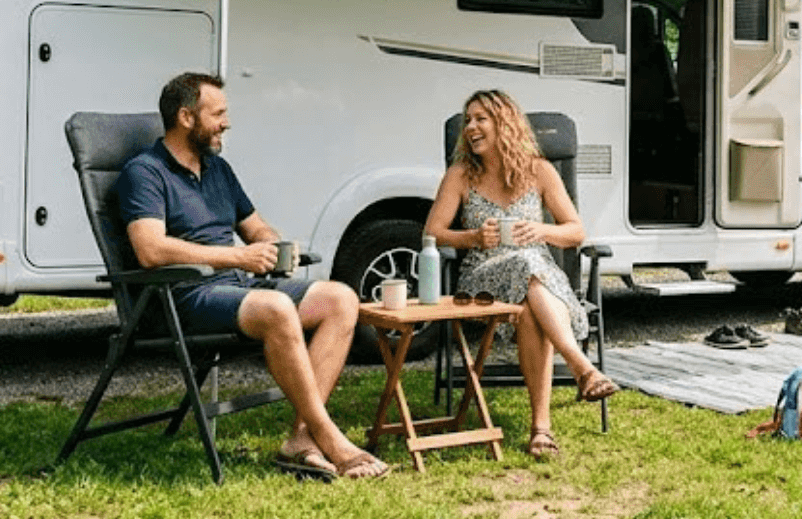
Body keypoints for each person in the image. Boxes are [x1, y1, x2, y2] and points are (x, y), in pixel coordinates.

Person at [115, 72, 388, 481]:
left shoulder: (218, 170)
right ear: (187, 117)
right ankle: (329, 436)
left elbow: (255, 226)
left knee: (341, 299)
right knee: (277, 308)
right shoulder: (145, 172)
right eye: (219, 113)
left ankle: (301, 438)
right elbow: (150, 249)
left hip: (236, 287)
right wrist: (237, 257)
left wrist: (271, 245)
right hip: (182, 295)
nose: (227, 122)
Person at [422, 89, 618, 458]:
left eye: (481, 119)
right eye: (468, 121)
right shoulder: (460, 175)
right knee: (528, 267)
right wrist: (474, 237)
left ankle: (541, 429)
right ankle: (581, 367)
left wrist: (541, 231)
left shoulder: (539, 171)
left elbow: (575, 231)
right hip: (482, 276)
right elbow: (432, 232)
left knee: (530, 305)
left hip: (540, 277)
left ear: (505, 123)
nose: (471, 128)